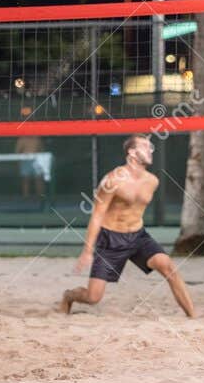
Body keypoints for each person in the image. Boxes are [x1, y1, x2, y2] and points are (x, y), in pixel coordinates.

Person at [58, 134, 195, 318]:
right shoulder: (112, 180)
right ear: (131, 152)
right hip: (111, 239)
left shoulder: (152, 181)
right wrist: (88, 250)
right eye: (145, 146)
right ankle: (69, 296)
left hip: (138, 237)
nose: (150, 150)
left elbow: (135, 209)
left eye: (150, 147)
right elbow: (97, 216)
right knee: (93, 297)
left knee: (167, 266)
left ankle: (192, 317)